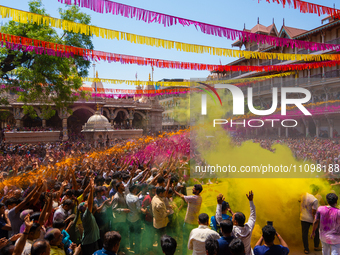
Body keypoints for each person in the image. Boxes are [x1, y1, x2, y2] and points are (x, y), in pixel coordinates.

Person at [174, 184, 203, 255]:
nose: (192, 189)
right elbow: (188, 201)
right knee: (193, 240)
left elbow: (181, 196)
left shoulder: (194, 198)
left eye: (194, 188)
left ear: (197, 190)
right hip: (194, 223)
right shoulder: (199, 198)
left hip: (188, 223)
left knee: (185, 240)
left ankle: (185, 253)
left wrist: (174, 189)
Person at [78, 178, 100, 255]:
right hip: (88, 243)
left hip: (93, 240)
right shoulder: (85, 215)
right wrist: (91, 190)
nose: (86, 202)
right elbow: (90, 203)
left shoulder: (87, 214)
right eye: (85, 203)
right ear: (84, 209)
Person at [231, 191, 256, 255]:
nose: (231, 220)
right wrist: (251, 201)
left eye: (232, 218)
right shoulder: (249, 228)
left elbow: (220, 220)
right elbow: (253, 216)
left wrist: (219, 204)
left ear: (236, 222)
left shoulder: (233, 230)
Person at [111, 182, 129, 253]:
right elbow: (114, 209)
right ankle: (119, 251)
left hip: (123, 219)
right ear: (119, 188)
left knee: (123, 234)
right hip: (118, 220)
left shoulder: (123, 194)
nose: (124, 187)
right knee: (118, 237)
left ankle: (123, 248)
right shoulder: (116, 197)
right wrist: (123, 210)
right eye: (122, 186)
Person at [126, 184, 142, 254]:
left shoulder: (127, 196)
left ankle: (130, 245)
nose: (137, 190)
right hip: (136, 218)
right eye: (136, 189)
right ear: (133, 190)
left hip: (129, 217)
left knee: (131, 232)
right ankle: (137, 250)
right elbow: (138, 209)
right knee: (137, 235)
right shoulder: (136, 198)